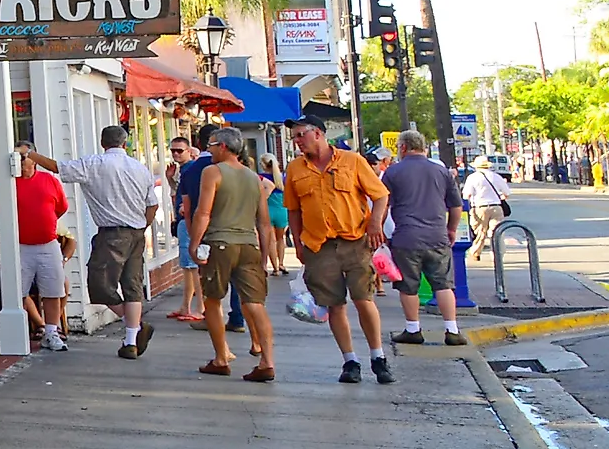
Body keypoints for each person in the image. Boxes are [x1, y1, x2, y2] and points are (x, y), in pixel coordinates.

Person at [25, 125, 158, 359]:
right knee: (132, 285)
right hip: (137, 232)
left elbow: (58, 168)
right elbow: (152, 204)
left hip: (111, 233)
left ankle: (135, 328)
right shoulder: (140, 168)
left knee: (99, 285)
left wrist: (30, 154)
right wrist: (143, 226)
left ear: (102, 143)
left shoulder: (93, 164)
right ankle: (130, 340)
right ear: (124, 143)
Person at [285, 120, 393, 384]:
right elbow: (294, 209)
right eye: (294, 137)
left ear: (318, 134)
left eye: (301, 135)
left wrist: (375, 223)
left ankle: (378, 357)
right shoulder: (295, 168)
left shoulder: (352, 161)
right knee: (334, 304)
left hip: (354, 241)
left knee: (363, 299)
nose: (298, 141)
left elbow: (380, 195)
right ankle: (350, 361)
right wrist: (298, 245)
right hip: (319, 246)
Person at [193, 134, 279, 382]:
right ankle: (267, 361)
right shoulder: (255, 178)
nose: (208, 151)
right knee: (255, 303)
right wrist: (264, 256)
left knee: (212, 299)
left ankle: (221, 358)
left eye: (210, 146)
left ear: (222, 147)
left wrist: (195, 244)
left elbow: (203, 212)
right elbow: (264, 223)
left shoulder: (212, 172)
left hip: (220, 243)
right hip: (248, 244)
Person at [381, 130, 468, 347]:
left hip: (406, 237)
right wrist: (451, 229)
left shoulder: (393, 172)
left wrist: (380, 230)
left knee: (408, 286)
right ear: (423, 147)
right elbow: (455, 206)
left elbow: (383, 205)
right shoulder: (441, 172)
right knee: (443, 284)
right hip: (437, 236)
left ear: (402, 147)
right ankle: (452, 329)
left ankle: (413, 329)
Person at [0, 156, 71, 352]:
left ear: (34, 161)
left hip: (48, 244)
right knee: (16, 291)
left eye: (24, 158)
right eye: (17, 159)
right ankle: (25, 330)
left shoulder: (50, 181)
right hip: (18, 245)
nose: (20, 163)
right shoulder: (5, 184)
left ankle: (51, 332)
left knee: (53, 289)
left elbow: (61, 208)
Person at [167, 135, 209, 322]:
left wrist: (188, 210)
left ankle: (199, 307)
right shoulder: (183, 170)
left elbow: (191, 195)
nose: (175, 154)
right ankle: (186, 306)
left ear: (189, 151)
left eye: (179, 150)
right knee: (187, 266)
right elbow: (179, 194)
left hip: (188, 222)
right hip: (184, 220)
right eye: (173, 150)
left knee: (192, 266)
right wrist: (170, 180)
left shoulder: (192, 168)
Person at [460, 155, 512, 251]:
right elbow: (507, 193)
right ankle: (498, 254)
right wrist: (500, 198)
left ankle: (476, 251)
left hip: (479, 207)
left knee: (480, 232)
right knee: (496, 232)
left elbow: (466, 195)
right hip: (496, 207)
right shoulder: (496, 176)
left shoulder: (472, 178)